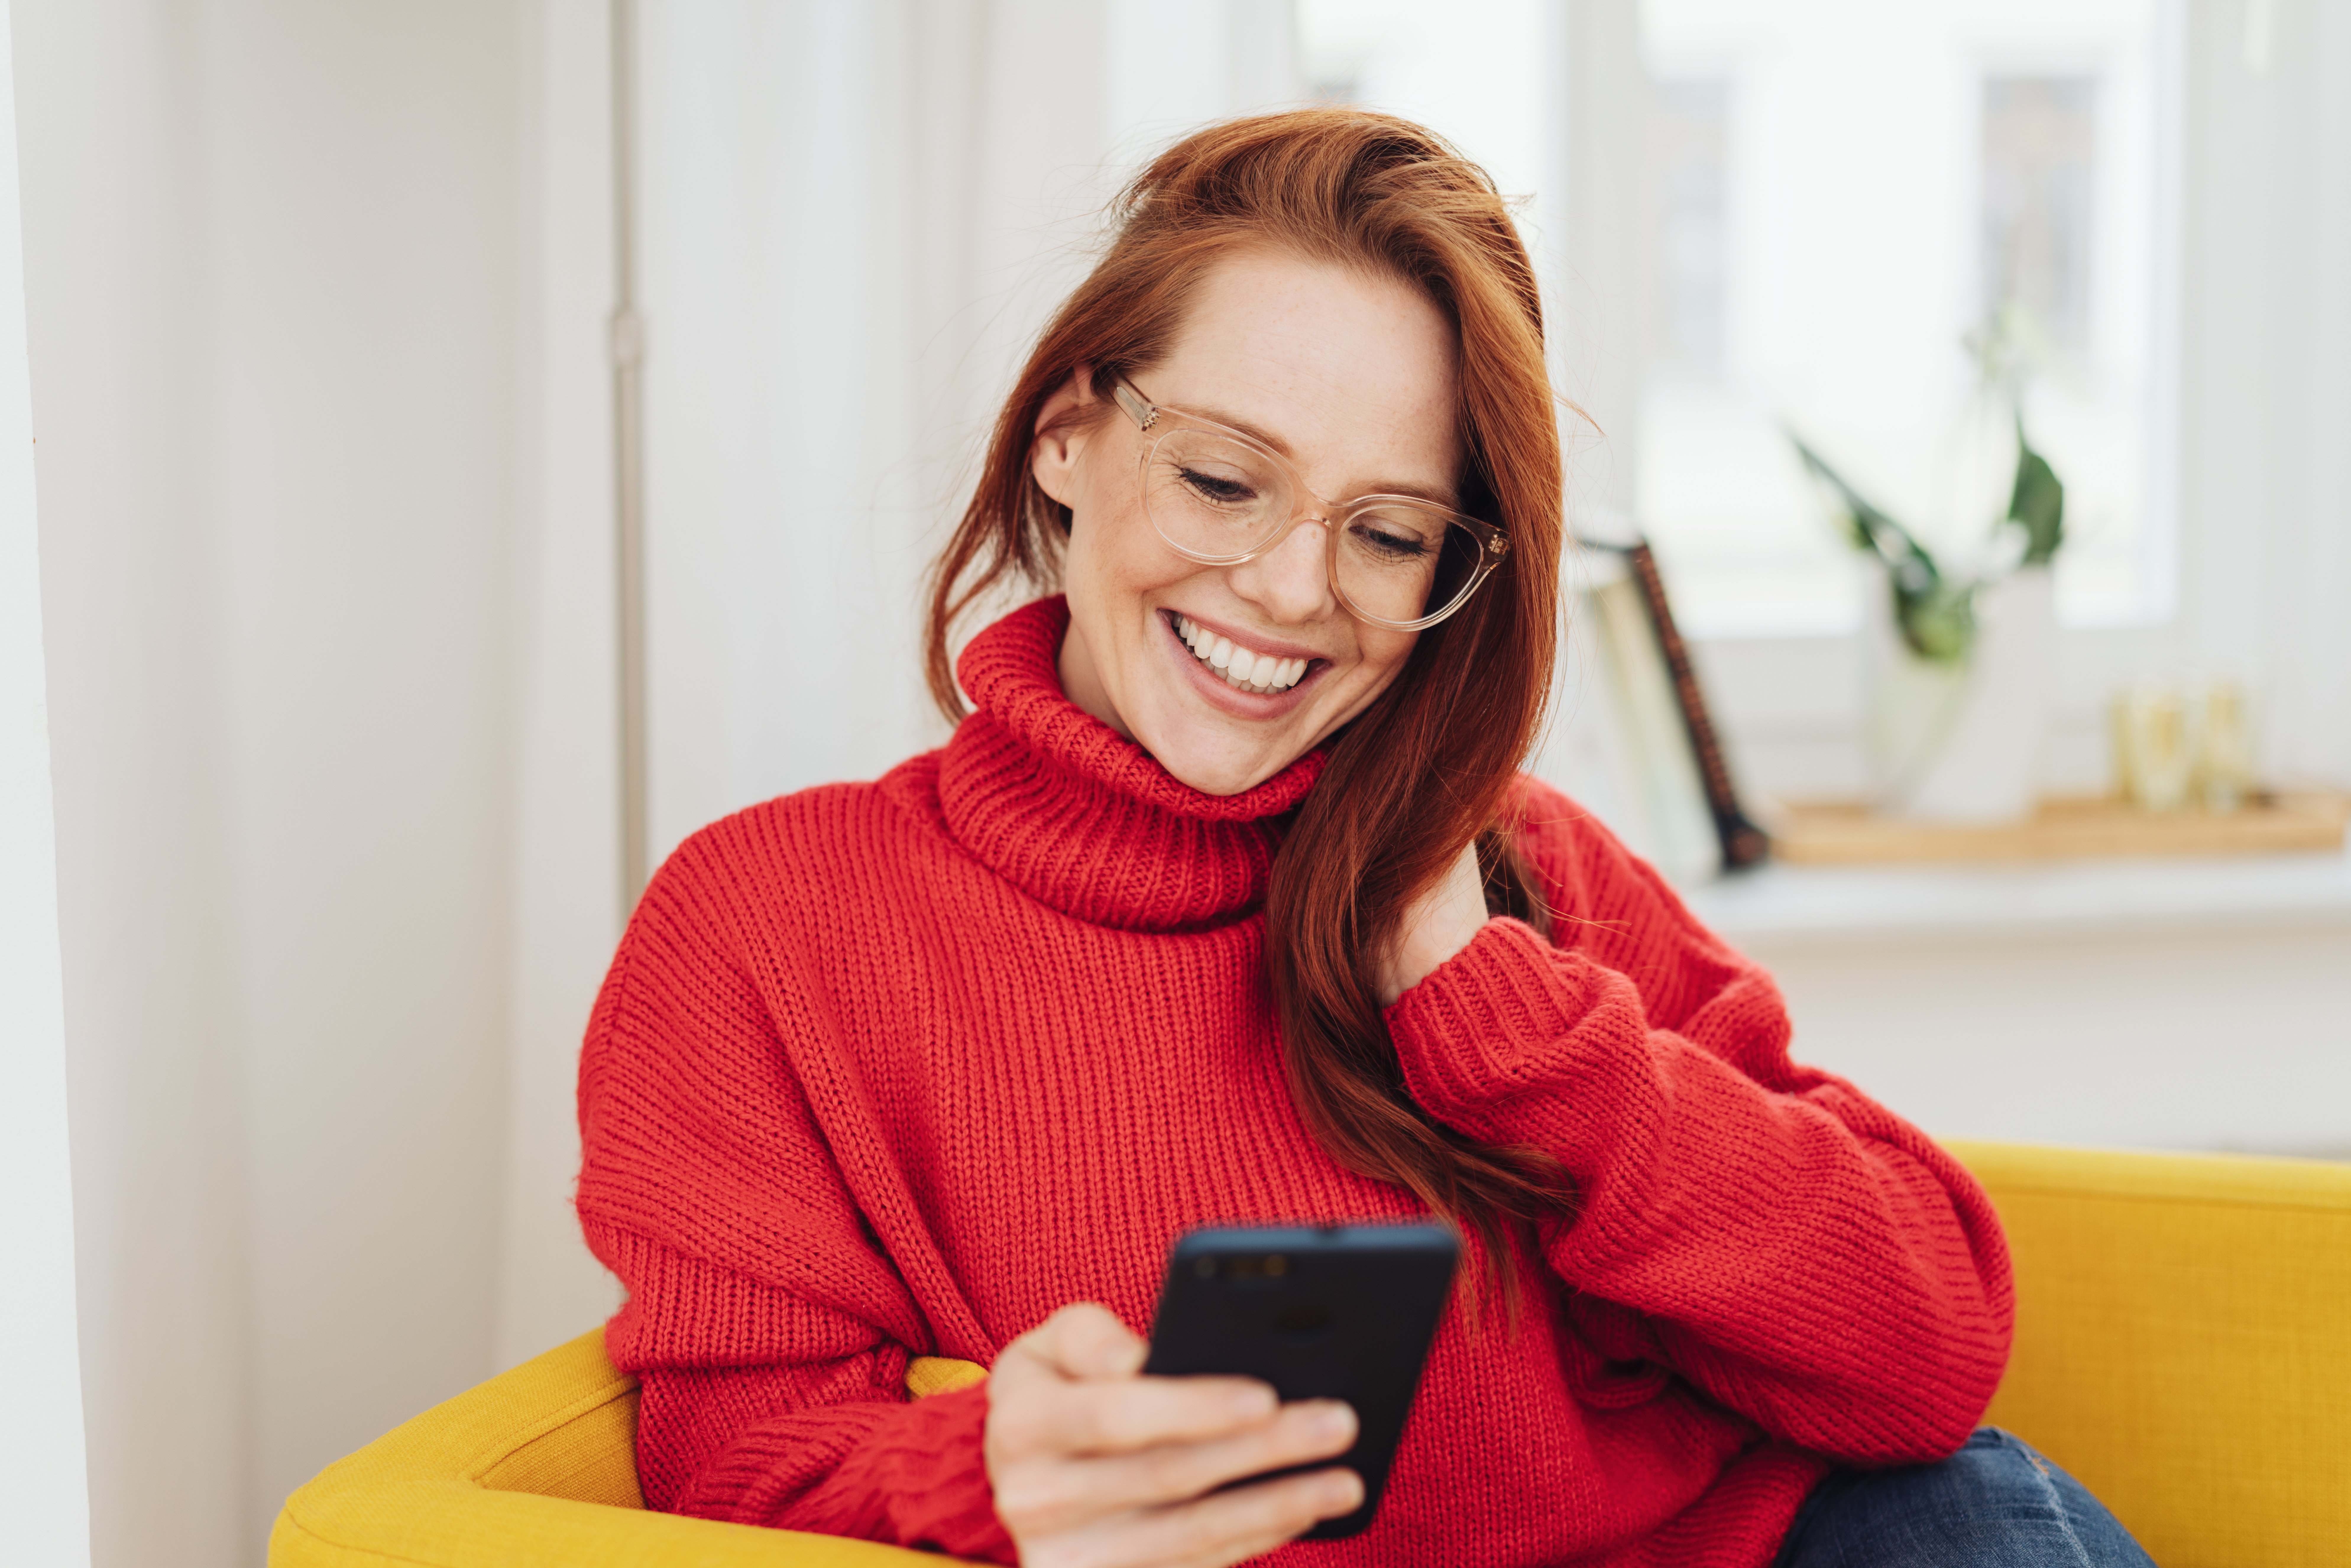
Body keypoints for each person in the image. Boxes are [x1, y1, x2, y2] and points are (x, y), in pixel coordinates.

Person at [574, 108, 2153, 1568]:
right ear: (1067, 439)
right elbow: (732, 1455)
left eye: (1389, 532)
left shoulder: (1516, 865)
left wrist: (1498, 1012)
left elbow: (1928, 1348)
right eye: (1220, 479)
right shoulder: (770, 924)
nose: (1288, 587)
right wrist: (981, 1473)